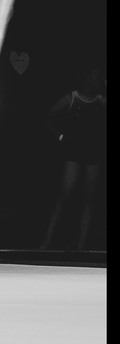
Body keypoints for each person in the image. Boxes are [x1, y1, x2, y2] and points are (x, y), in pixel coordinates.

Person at [40, 63, 106, 251]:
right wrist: (61, 136)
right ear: (86, 76)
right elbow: (48, 116)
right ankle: (47, 242)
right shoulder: (71, 98)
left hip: (94, 152)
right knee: (64, 196)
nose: (99, 78)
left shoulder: (101, 100)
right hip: (74, 153)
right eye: (96, 74)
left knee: (89, 199)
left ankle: (82, 245)